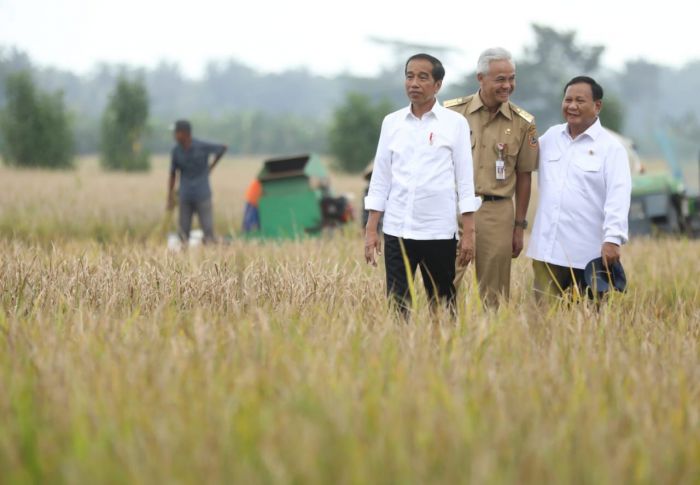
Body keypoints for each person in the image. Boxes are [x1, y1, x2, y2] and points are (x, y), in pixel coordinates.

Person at [364, 53, 481, 315]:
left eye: (422, 77)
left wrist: (469, 233)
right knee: (398, 305)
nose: (414, 83)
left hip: (438, 231)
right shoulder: (391, 123)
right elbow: (381, 177)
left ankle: (443, 353)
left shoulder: (455, 124)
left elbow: (465, 179)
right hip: (397, 229)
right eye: (409, 76)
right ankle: (401, 352)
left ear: (438, 85)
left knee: (442, 306)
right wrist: (372, 228)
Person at [445, 47, 539, 308]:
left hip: (496, 212)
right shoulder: (451, 114)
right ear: (480, 78)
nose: (507, 85)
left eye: (512, 78)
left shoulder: (524, 123)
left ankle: (492, 343)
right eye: (500, 79)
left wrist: (519, 226)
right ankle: (437, 340)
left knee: (494, 297)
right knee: (442, 285)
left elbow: (524, 176)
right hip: (451, 208)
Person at [527, 76, 632, 301]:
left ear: (597, 106)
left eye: (580, 101)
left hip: (588, 256)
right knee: (541, 319)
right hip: (548, 252)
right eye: (568, 100)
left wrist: (613, 239)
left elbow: (619, 196)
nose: (572, 106)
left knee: (588, 323)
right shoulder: (551, 137)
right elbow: (523, 163)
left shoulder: (611, 148)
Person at [167, 120, 227, 244]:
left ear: (184, 133)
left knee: (208, 232)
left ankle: (212, 259)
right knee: (183, 234)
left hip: (202, 195)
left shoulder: (201, 146)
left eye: (176, 132)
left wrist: (211, 167)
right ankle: (182, 261)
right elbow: (173, 175)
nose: (174, 135)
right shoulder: (176, 151)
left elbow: (223, 148)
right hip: (185, 196)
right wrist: (170, 196)